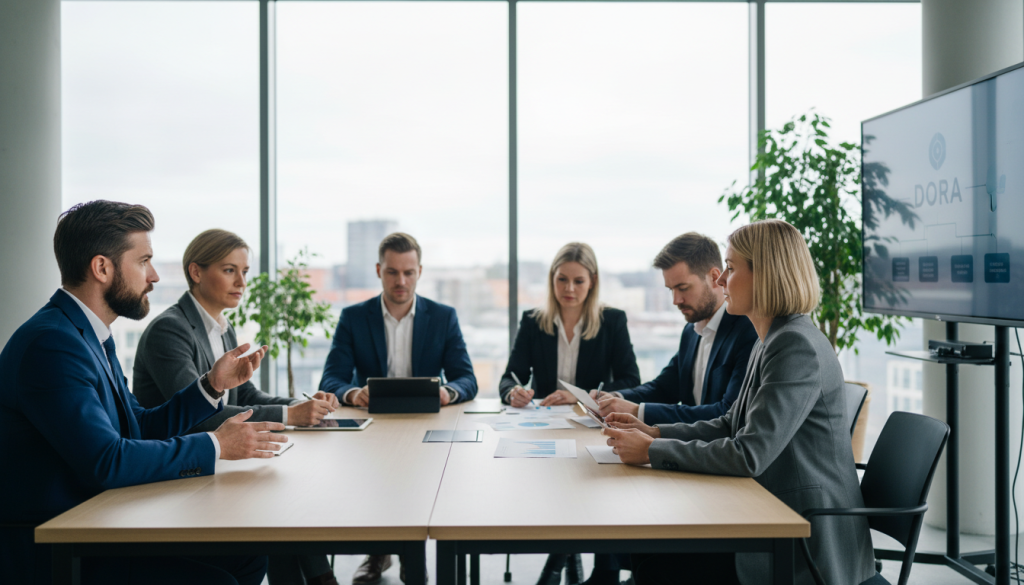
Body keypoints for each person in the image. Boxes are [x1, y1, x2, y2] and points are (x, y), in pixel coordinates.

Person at [0, 200, 288, 585]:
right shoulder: (53, 344)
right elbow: (107, 461)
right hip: (60, 545)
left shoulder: (89, 335)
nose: (153, 276)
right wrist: (216, 445)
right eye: (144, 261)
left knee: (248, 555)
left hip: (102, 519)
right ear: (102, 268)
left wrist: (211, 385)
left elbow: (137, 425)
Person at [602, 219, 876, 585]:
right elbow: (731, 423)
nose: (720, 281)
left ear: (765, 275)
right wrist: (654, 432)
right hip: (774, 510)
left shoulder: (794, 345)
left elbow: (749, 454)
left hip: (805, 538)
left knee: (657, 564)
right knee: (650, 553)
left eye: (730, 269)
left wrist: (652, 450)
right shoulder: (772, 339)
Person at [132, 228, 340, 585]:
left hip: (219, 465)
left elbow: (246, 397)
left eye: (244, 271)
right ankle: (322, 578)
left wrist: (302, 404)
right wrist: (290, 416)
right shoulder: (170, 330)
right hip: (179, 476)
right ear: (196, 272)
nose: (242, 282)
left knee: (286, 496)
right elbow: (200, 414)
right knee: (281, 499)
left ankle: (320, 578)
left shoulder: (221, 328)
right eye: (230, 270)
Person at [318, 232, 477, 584]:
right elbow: (331, 379)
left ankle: (407, 556)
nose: (401, 281)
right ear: (379, 270)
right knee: (377, 482)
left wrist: (448, 392)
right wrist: (352, 394)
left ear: (420, 271)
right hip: (372, 427)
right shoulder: (354, 317)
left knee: (416, 485)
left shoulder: (443, 316)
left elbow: (467, 378)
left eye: (408, 272)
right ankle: (381, 553)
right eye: (392, 272)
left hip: (426, 425)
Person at [498, 242, 640, 585]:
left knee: (590, 487)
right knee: (557, 489)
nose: (569, 289)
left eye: (578, 281)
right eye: (562, 279)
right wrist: (513, 392)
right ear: (552, 279)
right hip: (545, 429)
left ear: (592, 281)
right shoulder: (534, 321)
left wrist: (584, 395)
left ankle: (562, 568)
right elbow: (509, 377)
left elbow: (631, 380)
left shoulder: (611, 320)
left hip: (590, 428)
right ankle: (569, 563)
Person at [592, 232, 758, 427]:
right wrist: (615, 398)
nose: (675, 300)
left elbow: (727, 414)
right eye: (671, 289)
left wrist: (637, 411)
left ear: (714, 278)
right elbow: (664, 388)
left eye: (683, 288)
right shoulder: (690, 331)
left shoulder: (748, 331)